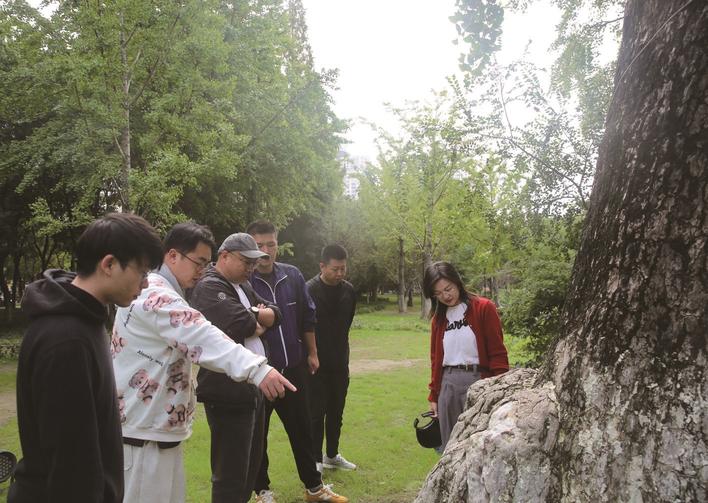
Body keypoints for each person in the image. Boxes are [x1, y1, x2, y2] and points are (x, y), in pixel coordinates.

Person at [112, 222, 295, 503]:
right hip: (144, 434)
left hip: (156, 430)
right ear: (172, 256)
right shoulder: (157, 296)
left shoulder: (161, 291)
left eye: (206, 263)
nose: (202, 271)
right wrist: (258, 369)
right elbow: (202, 335)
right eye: (198, 262)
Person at [8, 213, 163, 503]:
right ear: (109, 264)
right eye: (141, 272)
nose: (145, 285)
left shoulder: (86, 320)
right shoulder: (66, 338)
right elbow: (70, 459)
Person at [247, 220, 348, 503]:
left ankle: (314, 489)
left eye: (271, 244)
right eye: (259, 246)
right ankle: (262, 491)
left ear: (278, 245)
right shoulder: (243, 281)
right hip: (259, 374)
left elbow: (307, 317)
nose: (266, 251)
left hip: (294, 368)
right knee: (258, 436)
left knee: (303, 429)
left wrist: (312, 353)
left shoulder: (291, 275)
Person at [189, 233, 281, 503]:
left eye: (254, 263)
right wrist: (258, 317)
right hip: (227, 390)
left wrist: (261, 316)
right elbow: (245, 324)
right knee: (230, 474)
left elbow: (276, 313)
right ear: (224, 256)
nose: (251, 268)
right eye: (245, 261)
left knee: (249, 468)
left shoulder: (242, 285)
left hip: (253, 387)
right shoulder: (209, 286)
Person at [423, 261, 509, 450]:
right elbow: (436, 360)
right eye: (437, 294)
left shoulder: (484, 308)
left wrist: (499, 391)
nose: (445, 296)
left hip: (479, 383)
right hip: (448, 385)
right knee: (451, 448)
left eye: (448, 288)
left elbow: (498, 354)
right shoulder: (438, 320)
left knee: (479, 446)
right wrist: (434, 395)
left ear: (457, 282)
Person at [306, 244, 357, 472]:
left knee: (337, 410)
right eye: (335, 269)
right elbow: (304, 326)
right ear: (322, 266)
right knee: (316, 412)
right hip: (315, 363)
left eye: (343, 269)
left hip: (340, 362)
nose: (339, 274)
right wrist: (312, 354)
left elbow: (346, 324)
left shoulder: (349, 291)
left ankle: (332, 454)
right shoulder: (308, 290)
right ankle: (316, 459)